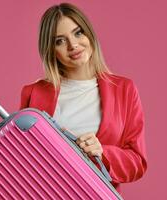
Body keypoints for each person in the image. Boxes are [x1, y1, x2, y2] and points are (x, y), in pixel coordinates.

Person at [19, 3, 147, 194]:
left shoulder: (124, 89)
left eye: (78, 33)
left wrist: (102, 152)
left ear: (89, 33)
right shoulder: (34, 92)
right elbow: (20, 157)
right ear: (51, 50)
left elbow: (137, 162)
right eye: (60, 41)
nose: (73, 45)